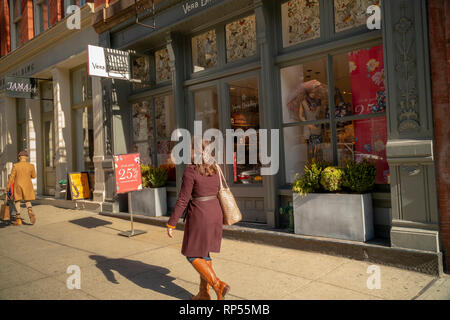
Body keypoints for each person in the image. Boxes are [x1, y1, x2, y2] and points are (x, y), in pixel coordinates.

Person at [166, 139, 230, 300]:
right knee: (204, 253)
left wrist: (171, 223)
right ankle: (203, 294)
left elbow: (183, 199)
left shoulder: (191, 171)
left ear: (198, 152)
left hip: (200, 214)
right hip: (215, 212)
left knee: (192, 254)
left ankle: (217, 285)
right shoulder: (216, 168)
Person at [6, 151, 37, 226]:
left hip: (18, 185)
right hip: (27, 185)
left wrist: (8, 187)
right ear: (26, 157)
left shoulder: (16, 166)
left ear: (19, 157)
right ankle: (29, 210)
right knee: (27, 200)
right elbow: (34, 176)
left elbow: (11, 177)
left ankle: (18, 219)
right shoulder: (31, 166)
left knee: (17, 201)